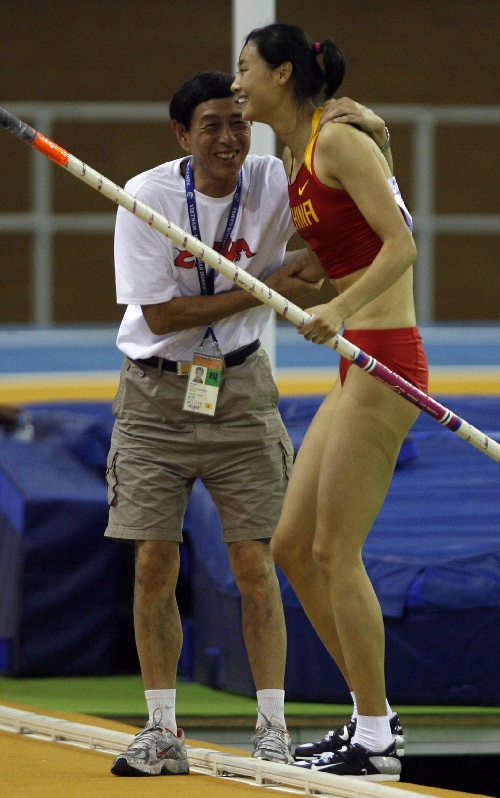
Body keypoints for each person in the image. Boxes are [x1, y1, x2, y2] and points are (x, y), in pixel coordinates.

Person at [105, 69, 395, 778]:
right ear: (184, 135)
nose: (231, 137)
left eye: (239, 122)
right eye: (213, 125)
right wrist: (260, 289)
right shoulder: (147, 198)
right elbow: (164, 316)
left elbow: (345, 224)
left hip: (239, 392)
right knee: (152, 564)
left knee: (255, 563)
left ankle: (271, 727)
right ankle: (161, 730)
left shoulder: (274, 180)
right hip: (154, 398)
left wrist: (372, 136)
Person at [232, 24, 428, 782]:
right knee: (292, 546)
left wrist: (342, 310)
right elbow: (356, 237)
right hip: (356, 363)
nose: (237, 81)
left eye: (246, 69)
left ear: (283, 73)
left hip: (384, 360)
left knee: (332, 550)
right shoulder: (297, 151)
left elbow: (404, 243)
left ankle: (377, 739)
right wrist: (319, 267)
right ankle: (369, 715)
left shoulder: (339, 140)